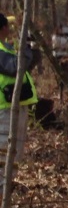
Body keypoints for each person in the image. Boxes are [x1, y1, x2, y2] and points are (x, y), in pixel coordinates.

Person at [1, 14, 38, 192]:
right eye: (8, 26)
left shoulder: (6, 48)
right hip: (5, 112)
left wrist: (28, 44)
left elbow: (28, 62)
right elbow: (17, 66)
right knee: (4, 155)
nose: (10, 30)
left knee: (13, 154)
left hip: (13, 108)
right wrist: (23, 45)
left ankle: (5, 191)